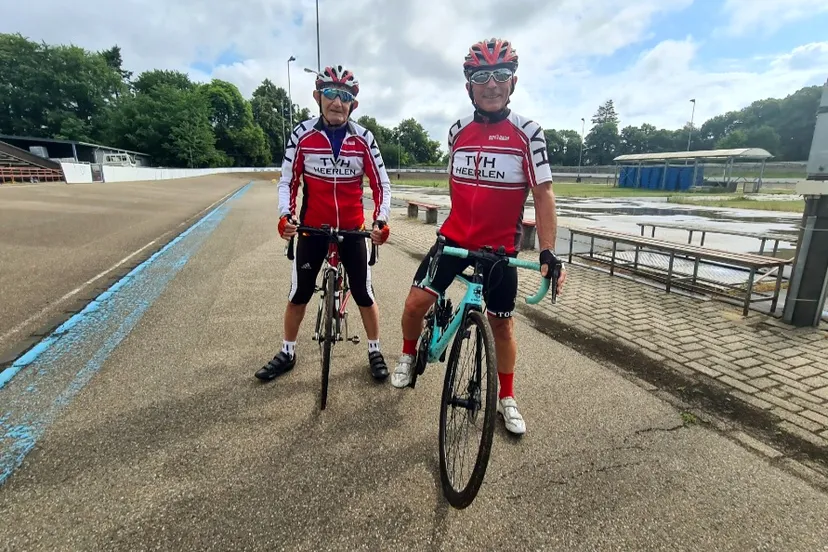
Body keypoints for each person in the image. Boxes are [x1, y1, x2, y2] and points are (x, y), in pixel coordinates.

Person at [390, 38, 567, 435]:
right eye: (481, 76)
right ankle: (406, 354)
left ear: (513, 82)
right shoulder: (457, 131)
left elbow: (543, 193)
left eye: (500, 75)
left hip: (501, 250)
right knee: (415, 303)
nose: (491, 84)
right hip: (455, 238)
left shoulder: (529, 133)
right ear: (468, 84)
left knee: (501, 325)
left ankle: (506, 397)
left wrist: (549, 252)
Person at [255, 65, 393, 382]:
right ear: (318, 97)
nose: (337, 102)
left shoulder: (364, 139)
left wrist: (380, 220)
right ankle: (287, 352)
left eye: (345, 97)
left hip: (353, 230)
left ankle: (374, 349)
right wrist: (285, 216)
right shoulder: (301, 135)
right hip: (312, 229)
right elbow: (288, 180)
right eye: (330, 94)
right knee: (299, 293)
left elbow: (382, 184)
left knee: (363, 292)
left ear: (353, 105)